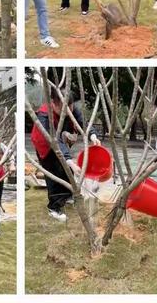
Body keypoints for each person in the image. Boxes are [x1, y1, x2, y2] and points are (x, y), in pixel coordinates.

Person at [30, 88, 100, 221]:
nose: (67, 111)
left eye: (70, 106)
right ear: (54, 104)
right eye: (63, 108)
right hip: (46, 145)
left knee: (67, 171)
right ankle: (54, 208)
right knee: (55, 175)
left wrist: (93, 136)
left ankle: (67, 196)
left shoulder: (72, 109)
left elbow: (83, 122)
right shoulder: (44, 116)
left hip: (61, 143)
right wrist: (69, 161)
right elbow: (54, 141)